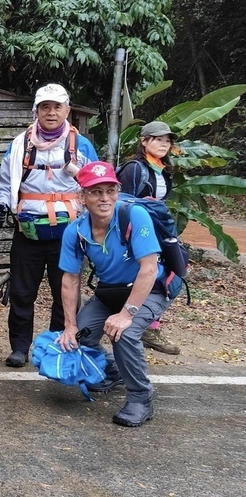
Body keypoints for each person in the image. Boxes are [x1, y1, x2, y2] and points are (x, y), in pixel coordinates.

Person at [57, 161, 183, 427]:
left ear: (117, 191)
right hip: (110, 291)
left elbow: (148, 270)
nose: (104, 198)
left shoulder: (134, 216)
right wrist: (70, 325)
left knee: (123, 333)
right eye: (96, 191)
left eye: (110, 190)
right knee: (80, 336)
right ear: (82, 196)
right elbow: (70, 279)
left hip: (151, 289)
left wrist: (127, 314)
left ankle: (140, 398)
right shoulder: (75, 230)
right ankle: (114, 369)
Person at [0, 83, 97, 368]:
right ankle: (20, 348)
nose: (51, 113)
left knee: (64, 292)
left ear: (67, 110)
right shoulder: (19, 144)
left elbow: (96, 185)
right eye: (45, 107)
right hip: (28, 229)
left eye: (57, 107)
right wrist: (1, 202)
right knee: (22, 292)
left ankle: (55, 345)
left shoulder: (81, 145)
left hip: (69, 233)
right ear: (36, 110)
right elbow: (5, 183)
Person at [117, 121, 180, 355]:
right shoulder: (134, 169)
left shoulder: (160, 168)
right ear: (144, 141)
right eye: (158, 139)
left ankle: (148, 327)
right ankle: (140, 327)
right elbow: (123, 203)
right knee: (149, 276)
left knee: (170, 274)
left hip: (158, 231)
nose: (164, 144)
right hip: (140, 234)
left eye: (167, 140)